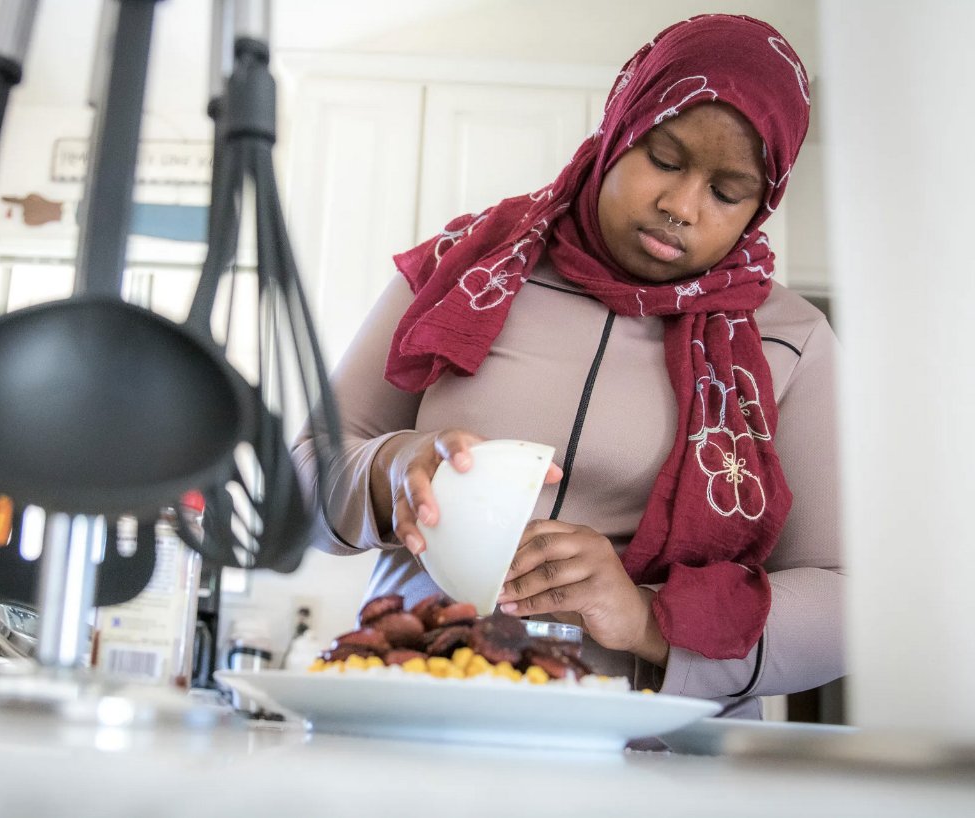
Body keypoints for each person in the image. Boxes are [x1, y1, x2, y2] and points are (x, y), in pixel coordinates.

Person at [291, 14, 842, 718]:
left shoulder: (792, 340)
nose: (680, 205)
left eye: (726, 192)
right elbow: (300, 481)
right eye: (664, 159)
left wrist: (646, 617)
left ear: (759, 206)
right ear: (620, 126)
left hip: (653, 756)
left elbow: (846, 596)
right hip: (419, 714)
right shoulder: (460, 269)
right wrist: (388, 471)